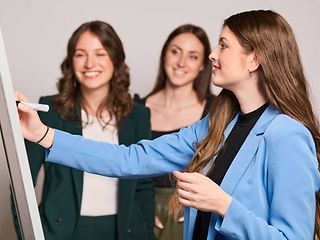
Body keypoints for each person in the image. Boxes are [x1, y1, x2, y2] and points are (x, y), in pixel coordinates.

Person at [17, 10, 320, 240]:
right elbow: (129, 158)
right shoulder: (217, 124)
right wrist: (43, 134)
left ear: (254, 59)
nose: (212, 55)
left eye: (223, 46)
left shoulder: (287, 135)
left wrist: (224, 205)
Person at [15, 21, 155, 240]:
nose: (90, 63)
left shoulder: (138, 115)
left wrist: (145, 230)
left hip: (124, 231)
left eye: (100, 53)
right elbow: (21, 183)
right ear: (71, 61)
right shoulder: (48, 110)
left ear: (115, 59)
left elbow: (144, 184)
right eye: (81, 54)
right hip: (62, 232)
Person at [134, 24, 214, 240]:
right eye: (175, 51)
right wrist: (141, 209)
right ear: (164, 56)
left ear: (202, 66)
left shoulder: (216, 112)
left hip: (193, 212)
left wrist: (199, 209)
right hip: (141, 214)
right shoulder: (136, 109)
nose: (181, 62)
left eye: (192, 56)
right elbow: (124, 164)